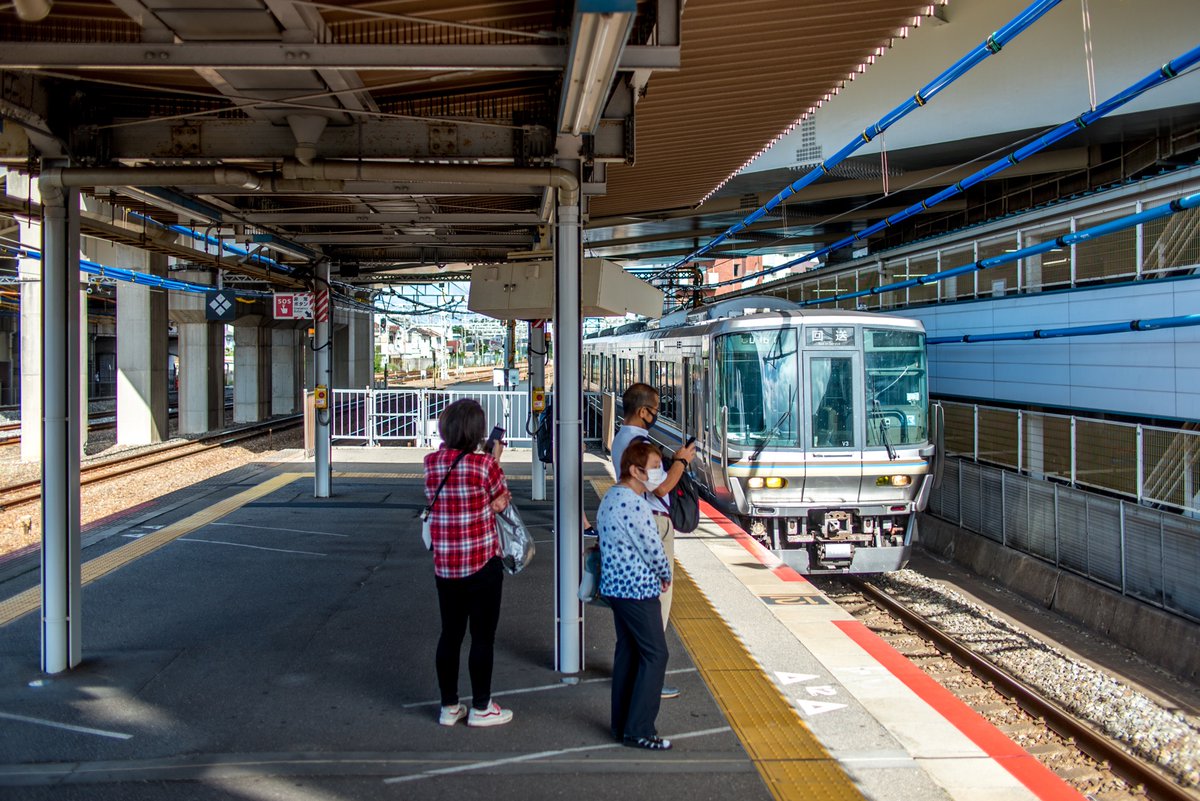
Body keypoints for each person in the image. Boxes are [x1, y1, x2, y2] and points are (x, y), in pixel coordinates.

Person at [423, 398, 514, 728]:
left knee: (450, 634)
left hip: (446, 566)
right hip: (481, 563)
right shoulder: (484, 466)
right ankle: (481, 707)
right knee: (482, 637)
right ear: (477, 431)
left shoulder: (431, 463)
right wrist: (495, 459)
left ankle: (449, 707)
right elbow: (502, 501)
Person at [609, 382, 697, 699]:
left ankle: (638, 672)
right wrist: (681, 462)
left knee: (637, 610)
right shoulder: (640, 442)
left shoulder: (621, 438)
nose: (657, 414)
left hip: (637, 520)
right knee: (657, 605)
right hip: (653, 522)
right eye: (656, 409)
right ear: (644, 411)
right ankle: (650, 679)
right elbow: (660, 489)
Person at [597, 439, 674, 750]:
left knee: (628, 654)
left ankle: (623, 726)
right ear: (635, 470)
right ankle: (640, 729)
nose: (659, 473)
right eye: (655, 468)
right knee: (656, 654)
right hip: (636, 590)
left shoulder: (612, 497)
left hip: (617, 589)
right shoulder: (635, 504)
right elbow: (652, 547)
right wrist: (665, 574)